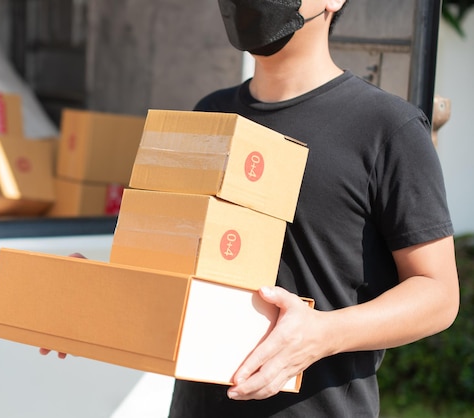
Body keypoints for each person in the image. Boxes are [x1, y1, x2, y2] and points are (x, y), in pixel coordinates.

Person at [42, 1, 460, 416]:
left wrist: (323, 333)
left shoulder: (388, 127)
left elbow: (438, 294)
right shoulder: (211, 112)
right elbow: (184, 271)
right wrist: (98, 295)